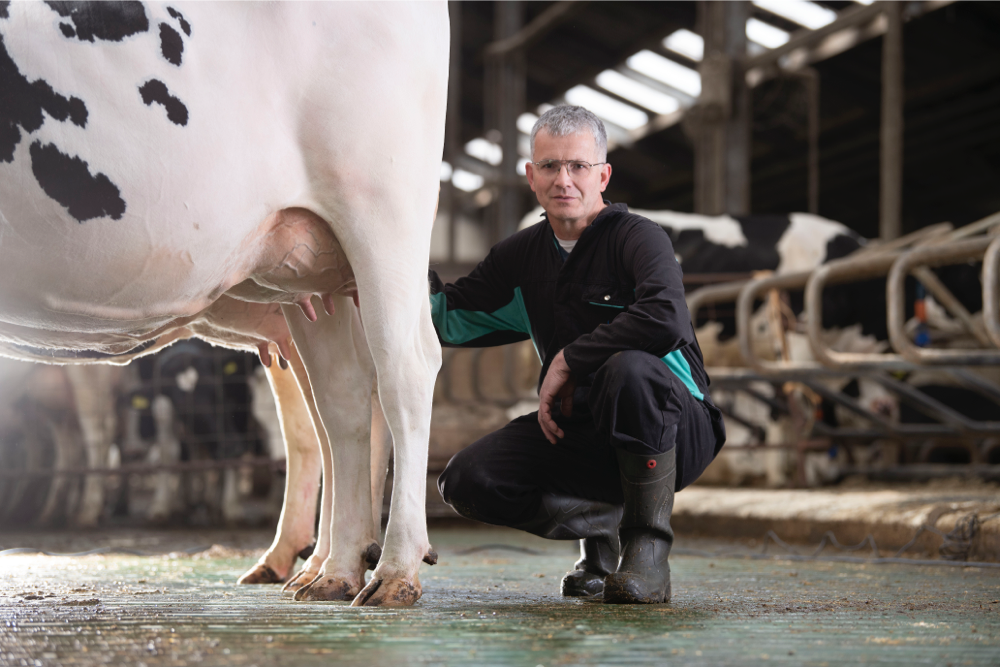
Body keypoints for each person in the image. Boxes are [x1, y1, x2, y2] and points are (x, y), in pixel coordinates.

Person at [430, 105, 726, 604]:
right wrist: (383, 270)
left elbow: (666, 319)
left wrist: (568, 359)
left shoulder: (638, 238)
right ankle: (604, 526)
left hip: (675, 426)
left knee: (629, 369)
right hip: (579, 430)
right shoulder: (520, 256)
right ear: (530, 175)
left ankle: (646, 553)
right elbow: (449, 316)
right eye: (549, 166)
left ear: (603, 174)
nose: (563, 179)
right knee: (467, 480)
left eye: (578, 166)